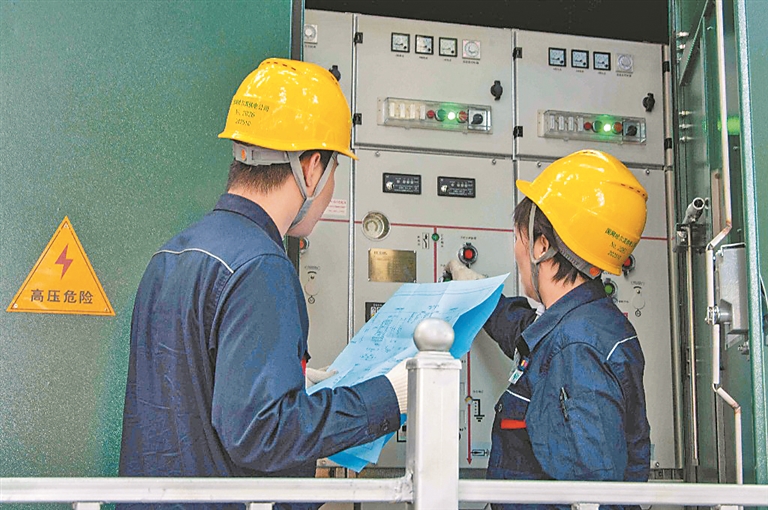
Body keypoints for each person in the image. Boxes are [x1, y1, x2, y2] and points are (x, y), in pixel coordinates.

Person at [119, 58, 407, 510]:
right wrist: (389, 397)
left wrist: (279, 372)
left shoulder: (172, 254)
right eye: (333, 171)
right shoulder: (262, 267)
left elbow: (187, 403)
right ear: (311, 168)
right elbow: (262, 433)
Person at [446, 150, 651, 510]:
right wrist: (478, 293)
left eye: (519, 238)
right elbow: (527, 332)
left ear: (542, 246)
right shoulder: (581, 325)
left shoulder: (576, 350)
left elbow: (593, 496)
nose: (516, 250)